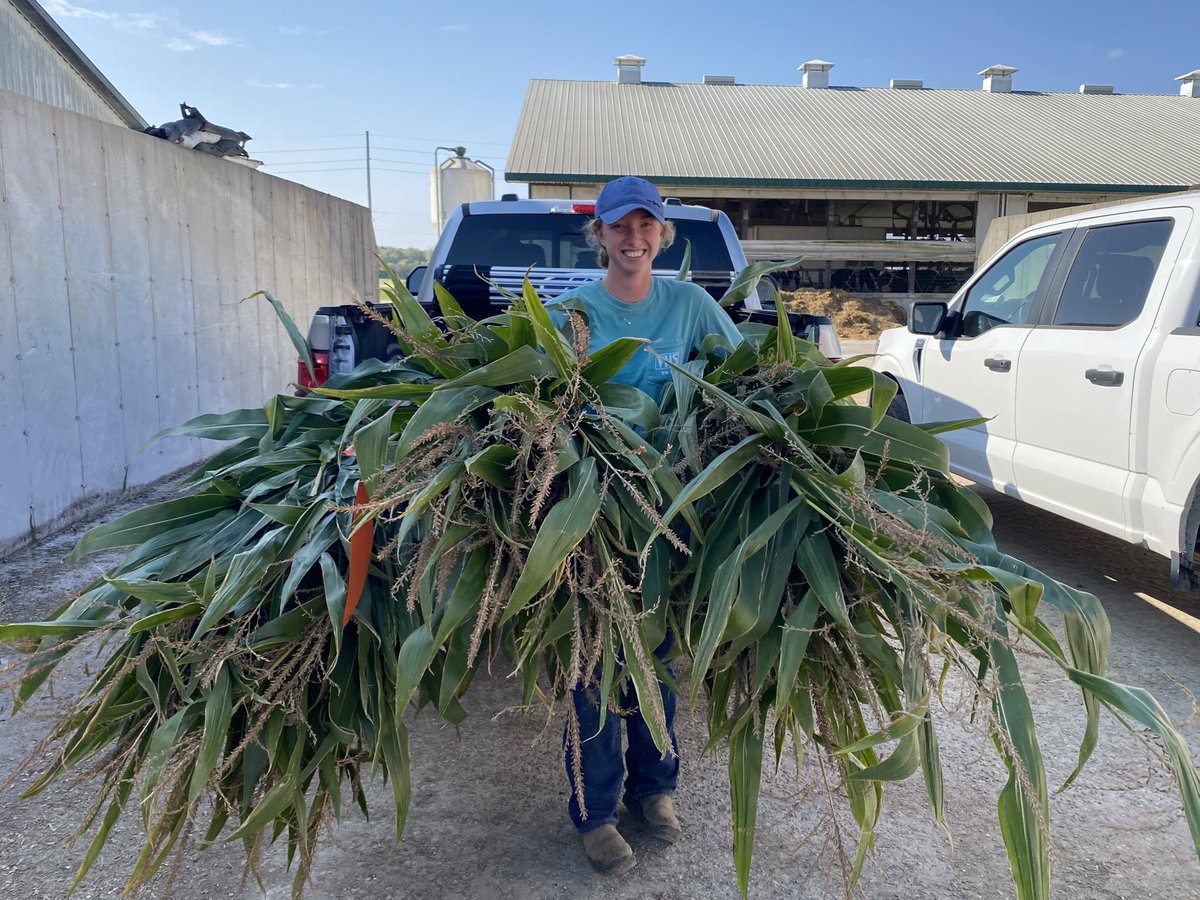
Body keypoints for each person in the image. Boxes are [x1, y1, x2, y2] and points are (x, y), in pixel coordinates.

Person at [550, 176, 744, 876]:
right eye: (619, 227)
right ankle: (595, 812)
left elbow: (744, 373)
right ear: (598, 235)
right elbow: (544, 405)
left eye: (646, 226)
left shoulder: (690, 305)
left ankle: (656, 791)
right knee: (594, 661)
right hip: (591, 514)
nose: (633, 239)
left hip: (668, 515)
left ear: (663, 235)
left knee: (657, 656)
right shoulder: (573, 312)